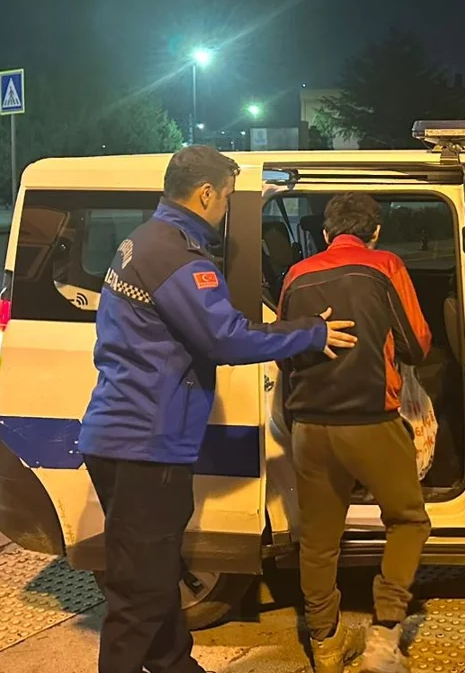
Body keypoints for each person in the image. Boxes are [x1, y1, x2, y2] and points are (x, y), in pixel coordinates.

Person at [77, 145, 358, 673]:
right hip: (147, 445)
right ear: (205, 193)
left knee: (154, 574)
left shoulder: (142, 240)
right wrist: (309, 333)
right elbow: (225, 338)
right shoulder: (177, 256)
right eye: (227, 198)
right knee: (139, 594)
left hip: (121, 434)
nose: (226, 208)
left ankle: (176, 666)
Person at [278, 192, 433, 673]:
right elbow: (417, 344)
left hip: (309, 428)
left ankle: (325, 645)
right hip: (371, 423)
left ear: (326, 234)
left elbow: (285, 350)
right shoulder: (385, 266)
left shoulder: (296, 274)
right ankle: (384, 633)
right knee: (408, 521)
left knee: (319, 541)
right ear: (375, 232)